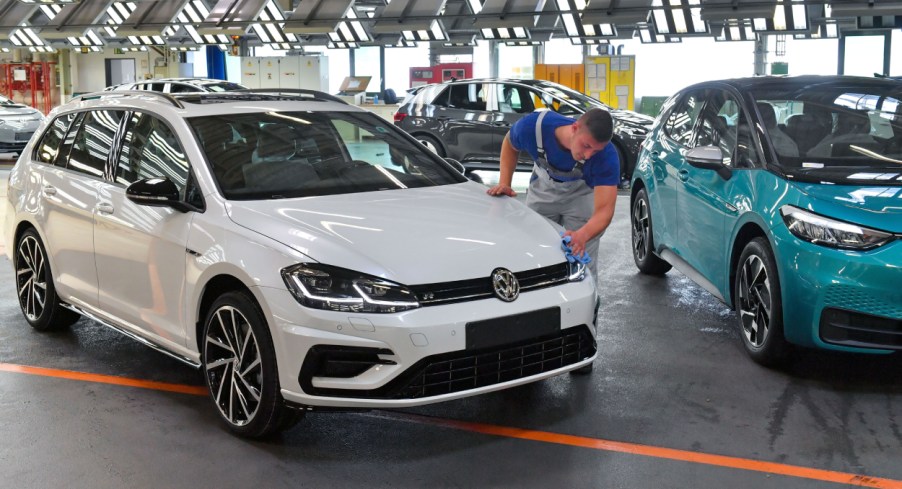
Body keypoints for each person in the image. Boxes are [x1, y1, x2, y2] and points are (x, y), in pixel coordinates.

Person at [486, 108, 619, 276]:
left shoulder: (606, 156)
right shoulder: (534, 127)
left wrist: (583, 235)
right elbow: (510, 143)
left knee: (583, 261)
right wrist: (505, 183)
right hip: (543, 189)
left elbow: (605, 211)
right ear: (574, 128)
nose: (588, 155)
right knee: (534, 250)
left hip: (582, 196)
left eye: (595, 151)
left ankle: (583, 299)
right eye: (586, 146)